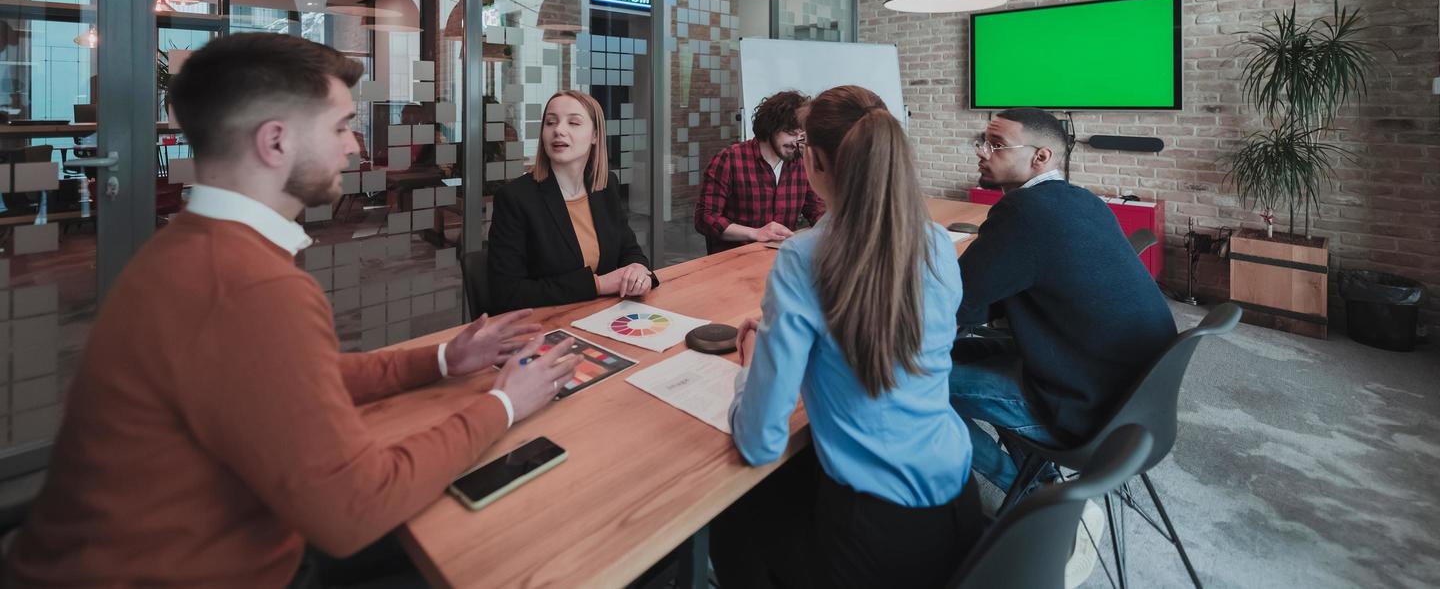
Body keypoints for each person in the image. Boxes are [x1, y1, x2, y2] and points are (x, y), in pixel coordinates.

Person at [5, 33, 578, 588]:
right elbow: (355, 508)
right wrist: (503, 404)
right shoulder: (248, 285)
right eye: (341, 126)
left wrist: (443, 359)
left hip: (244, 531)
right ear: (275, 142)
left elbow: (299, 375)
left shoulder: (193, 247)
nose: (355, 147)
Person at [711, 86, 982, 589]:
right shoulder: (938, 245)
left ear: (811, 161)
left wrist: (749, 365)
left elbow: (759, 440)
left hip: (868, 537)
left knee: (731, 526)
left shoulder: (803, 257)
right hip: (959, 504)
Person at [950, 107, 1176, 495]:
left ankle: (1033, 494)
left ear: (1041, 157)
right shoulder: (1081, 199)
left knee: (902, 384)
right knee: (960, 349)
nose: (982, 153)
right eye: (983, 143)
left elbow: (959, 304)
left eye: (998, 145)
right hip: (1131, 400)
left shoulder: (1023, 211)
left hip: (1084, 406)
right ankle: (1036, 477)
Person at [484, 89, 654, 312]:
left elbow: (629, 250)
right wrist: (598, 284)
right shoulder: (516, 198)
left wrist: (639, 270)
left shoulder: (605, 186)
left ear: (595, 135)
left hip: (604, 316)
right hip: (546, 327)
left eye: (573, 123)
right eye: (550, 122)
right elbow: (507, 293)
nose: (559, 130)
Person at [695, 89, 825, 256]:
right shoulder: (730, 159)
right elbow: (705, 218)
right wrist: (755, 233)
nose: (796, 142)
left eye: (802, 135)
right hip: (734, 262)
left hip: (781, 259)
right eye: (791, 133)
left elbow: (816, 210)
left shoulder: (800, 162)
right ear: (772, 126)